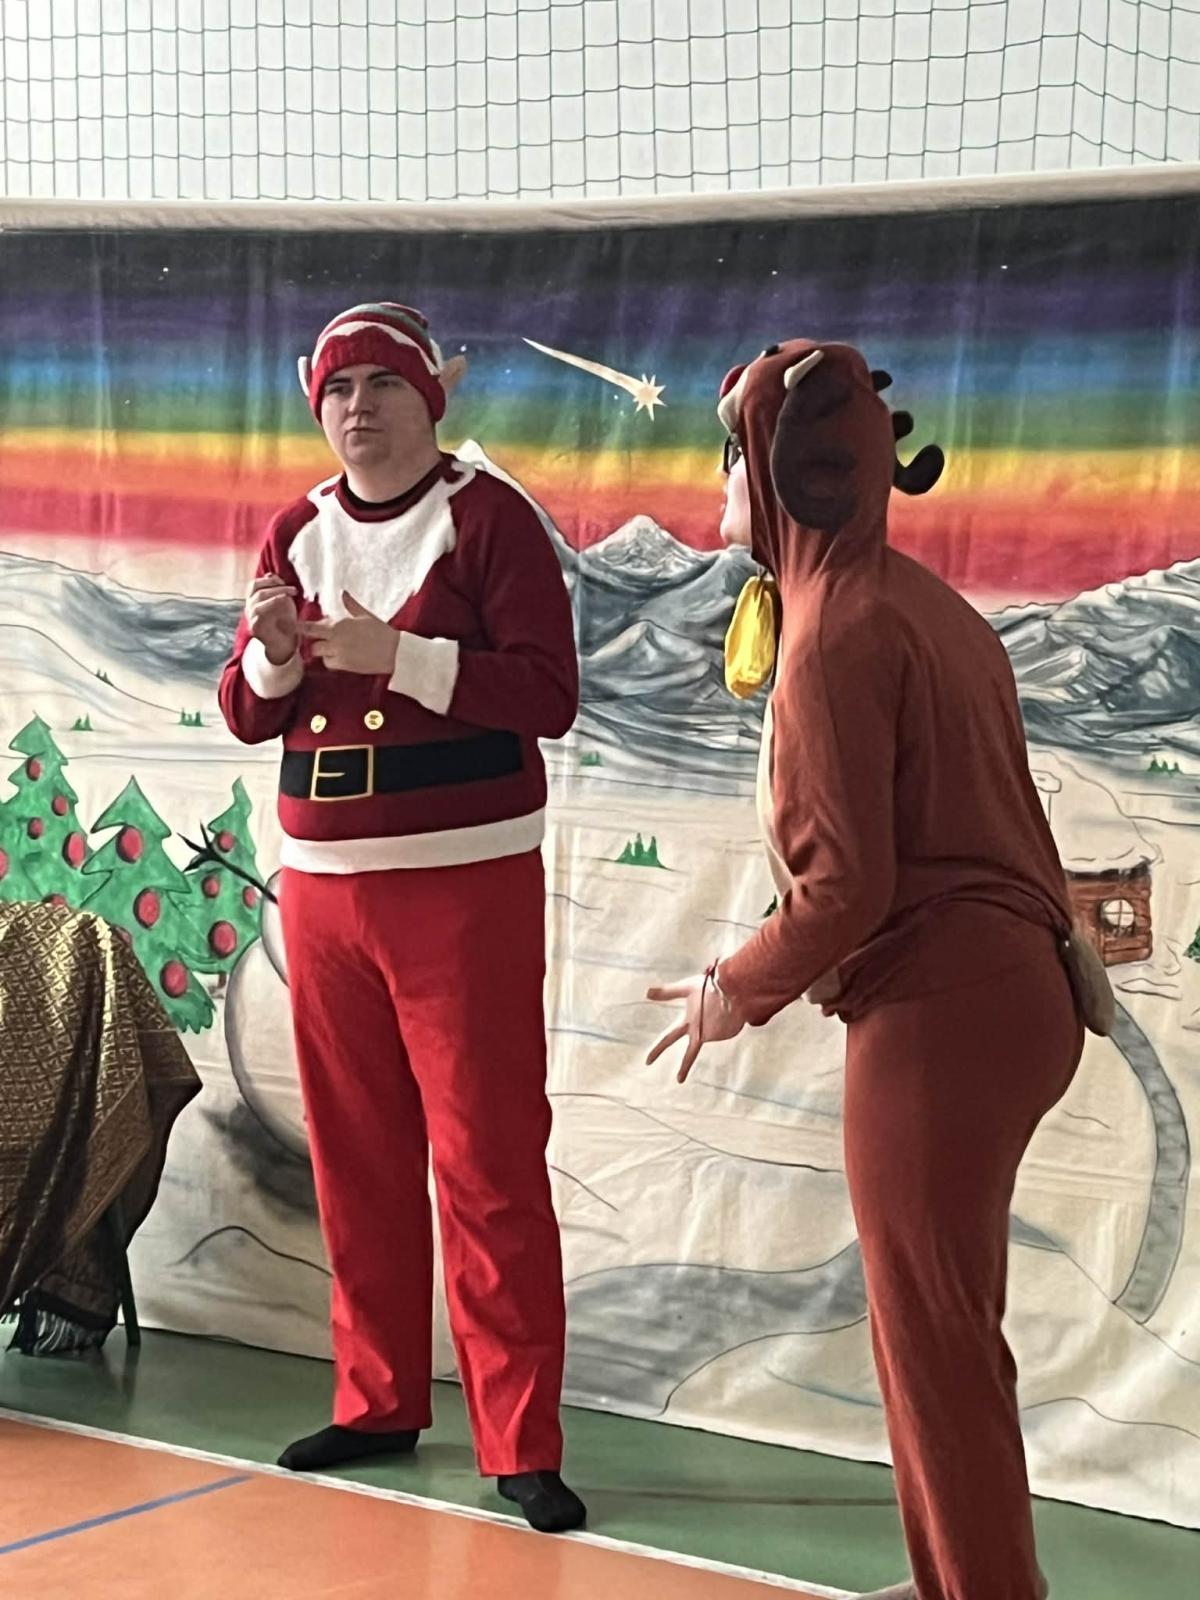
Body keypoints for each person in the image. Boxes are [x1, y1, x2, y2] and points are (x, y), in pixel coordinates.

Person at [646, 340, 1105, 1599]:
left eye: (730, 458)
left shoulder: (833, 635)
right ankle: (954, 1575)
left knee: (938, 1342)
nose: (719, 485)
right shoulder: (923, 606)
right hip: (1014, 996)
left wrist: (732, 988)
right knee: (935, 1332)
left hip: (943, 1016)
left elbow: (845, 889)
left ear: (784, 470)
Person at [218, 301, 585, 1534]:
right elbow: (247, 711)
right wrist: (274, 653)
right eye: (337, 389)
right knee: (356, 1155)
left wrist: (400, 655)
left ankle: (519, 1437)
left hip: (464, 890)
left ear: (435, 396)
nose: (357, 407)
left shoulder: (492, 521)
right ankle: (376, 1399)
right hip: (323, 895)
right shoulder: (294, 530)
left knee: (486, 1162)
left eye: (381, 383)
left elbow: (548, 694)